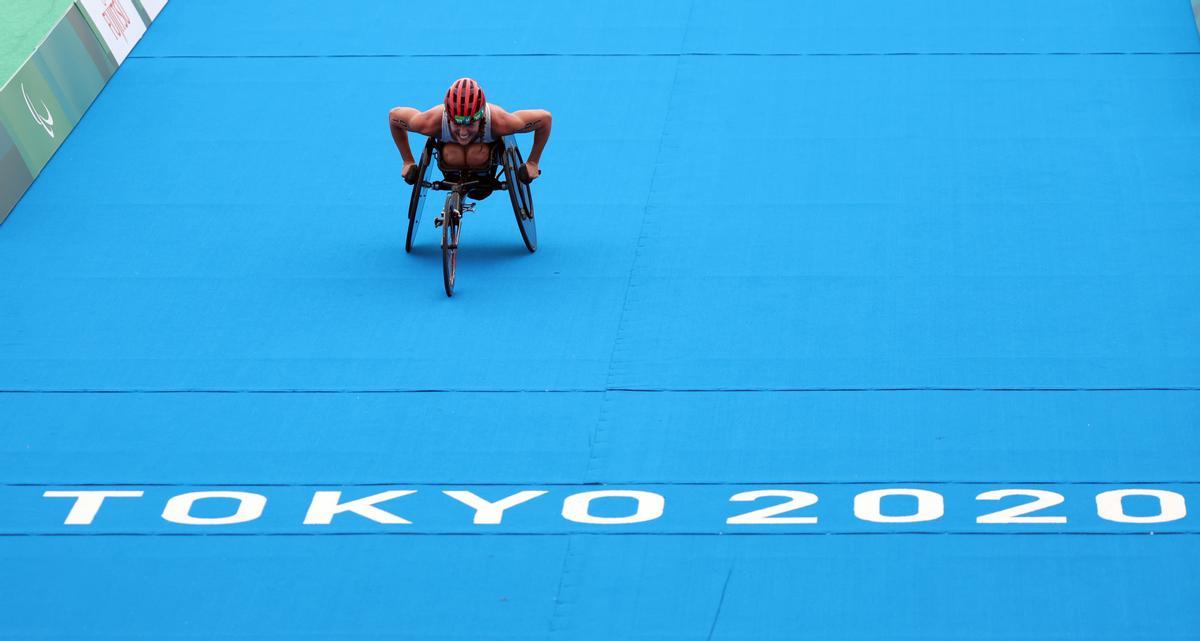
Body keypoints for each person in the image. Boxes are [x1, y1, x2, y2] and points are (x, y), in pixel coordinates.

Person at [388, 78, 551, 190]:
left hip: (485, 169)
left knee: (476, 154)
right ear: (449, 118)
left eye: (470, 124)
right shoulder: (430, 122)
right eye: (457, 124)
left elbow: (544, 119)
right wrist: (408, 161)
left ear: (481, 118)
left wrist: (532, 163)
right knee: (452, 153)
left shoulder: (500, 122)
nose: (463, 132)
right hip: (450, 165)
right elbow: (394, 116)